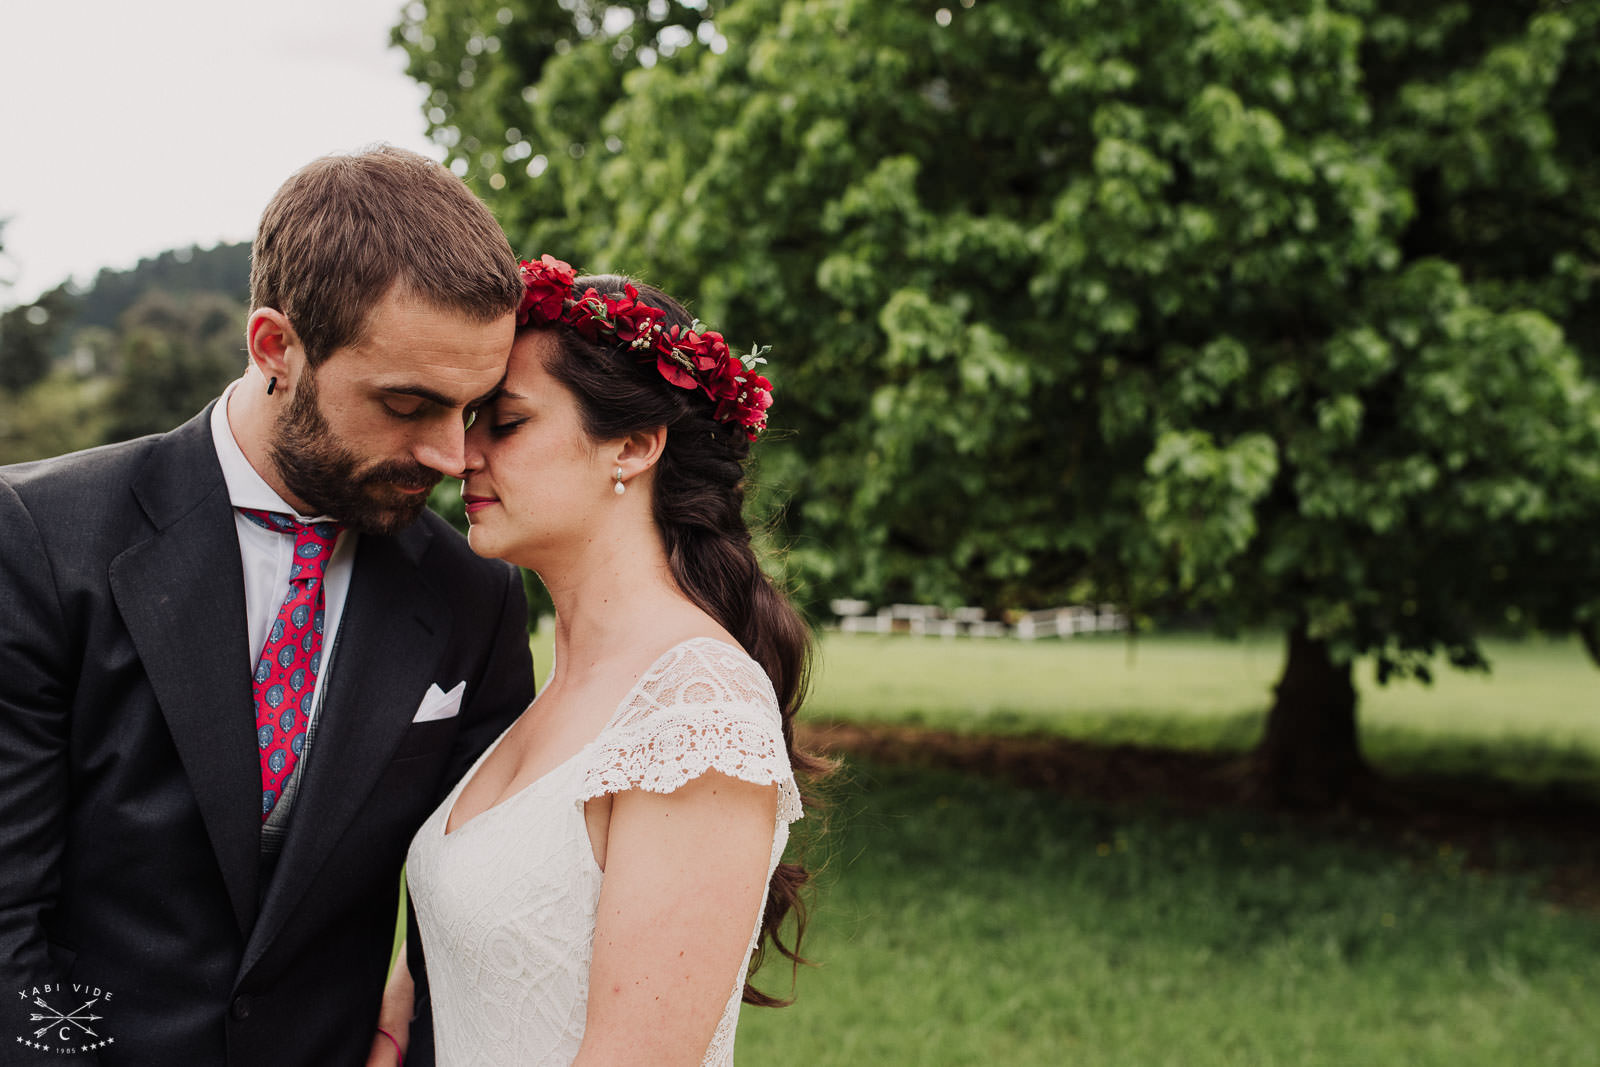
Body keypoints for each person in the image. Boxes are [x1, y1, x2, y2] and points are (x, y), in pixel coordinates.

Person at [0, 146, 538, 1067]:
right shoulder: (42, 539)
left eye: (474, 408)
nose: (453, 455)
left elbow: (475, 927)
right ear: (275, 348)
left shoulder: (474, 596)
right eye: (408, 403)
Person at [382, 256, 824, 1066]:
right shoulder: (552, 689)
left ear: (632, 444)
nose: (459, 453)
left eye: (504, 423)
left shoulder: (699, 710)